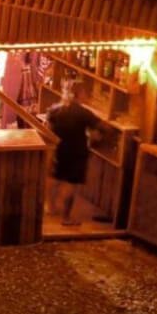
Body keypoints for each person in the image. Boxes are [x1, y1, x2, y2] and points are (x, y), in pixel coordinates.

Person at [45, 83, 100, 226]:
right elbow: (95, 134)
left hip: (58, 149)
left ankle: (50, 207)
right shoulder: (84, 113)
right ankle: (66, 218)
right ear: (80, 94)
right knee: (70, 183)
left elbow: (47, 129)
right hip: (77, 151)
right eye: (85, 93)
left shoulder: (55, 110)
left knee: (54, 178)